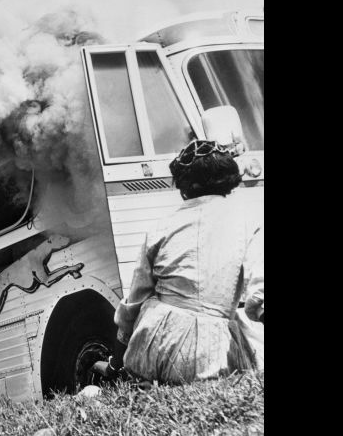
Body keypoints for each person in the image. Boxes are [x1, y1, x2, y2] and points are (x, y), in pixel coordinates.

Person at [92, 139, 263, 385]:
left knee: (152, 300)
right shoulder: (248, 221)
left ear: (183, 186)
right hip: (211, 356)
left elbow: (132, 307)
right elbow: (259, 297)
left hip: (155, 350)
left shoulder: (160, 228)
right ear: (229, 178)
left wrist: (114, 366)